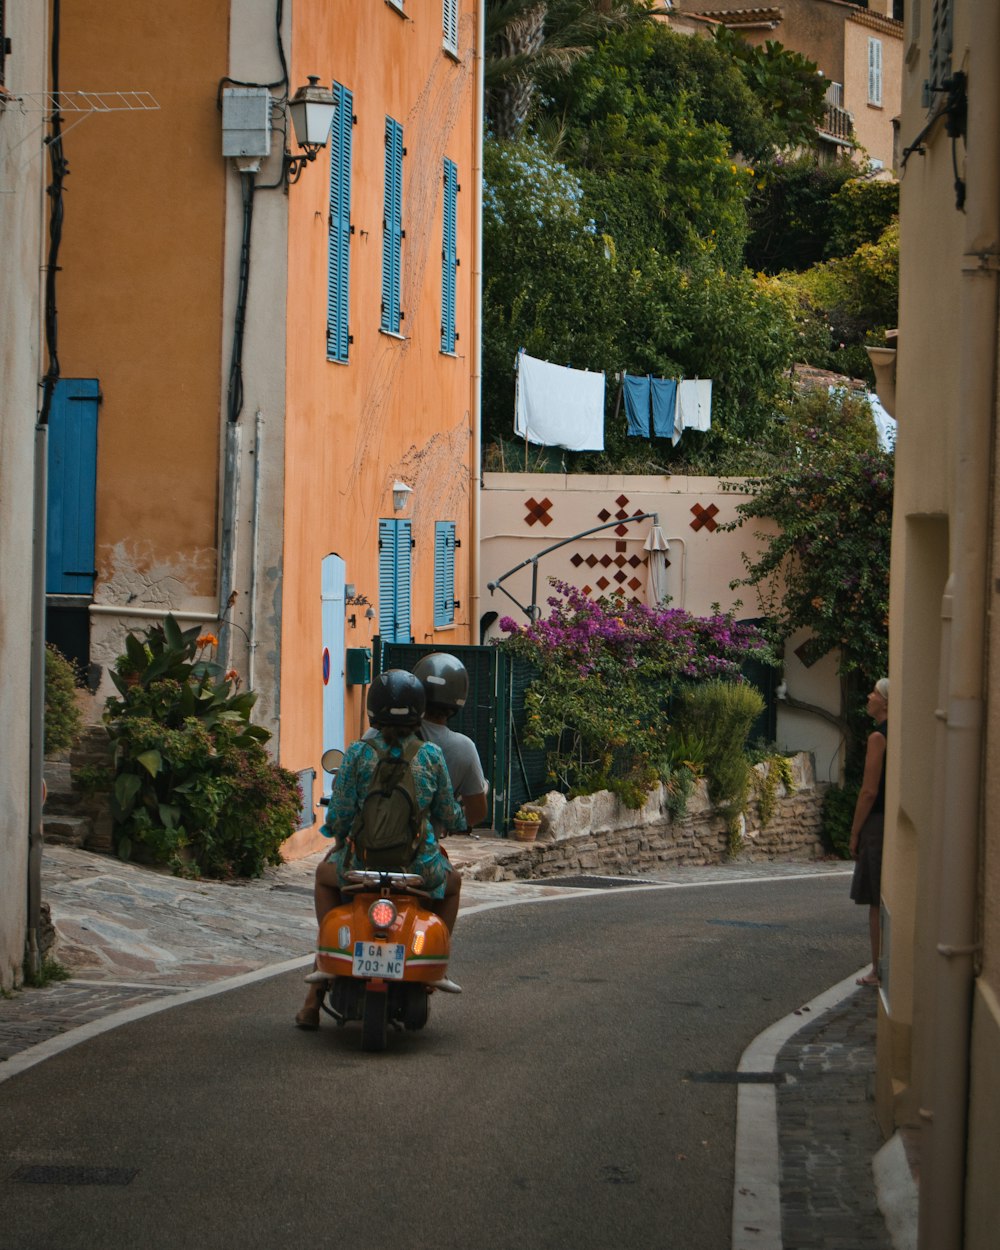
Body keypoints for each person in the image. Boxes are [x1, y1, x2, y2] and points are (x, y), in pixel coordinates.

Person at [295, 669, 466, 1029]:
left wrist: (339, 838)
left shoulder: (358, 753)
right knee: (454, 885)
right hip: (419, 868)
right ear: (419, 711)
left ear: (373, 711)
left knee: (324, 878)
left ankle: (317, 989)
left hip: (360, 863)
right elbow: (448, 812)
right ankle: (434, 965)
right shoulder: (432, 755)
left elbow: (340, 814)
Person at [411, 652, 490, 833]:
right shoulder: (462, 748)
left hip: (366, 851)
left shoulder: (376, 735)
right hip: (421, 852)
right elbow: (475, 814)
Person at [849, 677, 889, 987]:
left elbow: (869, 791)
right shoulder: (901, 734)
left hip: (877, 822)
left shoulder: (878, 737)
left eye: (874, 692)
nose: (869, 696)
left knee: (877, 899)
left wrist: (855, 832)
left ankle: (877, 969)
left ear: (885, 701)